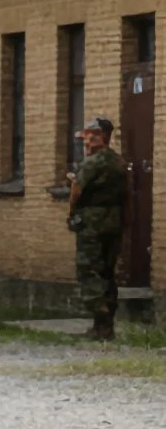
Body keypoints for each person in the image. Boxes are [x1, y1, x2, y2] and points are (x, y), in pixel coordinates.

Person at [68, 116, 130, 341]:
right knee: (107, 271)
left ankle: (101, 321)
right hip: (113, 221)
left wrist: (71, 212)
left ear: (101, 137)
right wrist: (125, 221)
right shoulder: (118, 162)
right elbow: (126, 196)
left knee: (89, 270)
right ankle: (106, 325)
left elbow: (77, 189)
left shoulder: (92, 162)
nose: (87, 141)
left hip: (92, 222)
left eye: (92, 136)